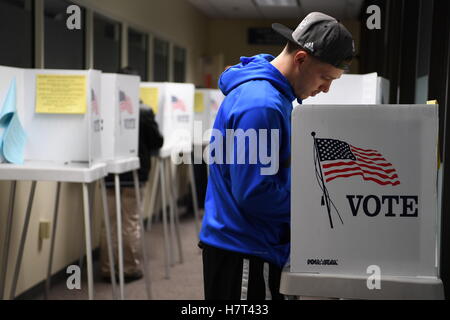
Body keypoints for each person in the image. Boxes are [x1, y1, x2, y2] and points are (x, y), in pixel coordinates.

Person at [198, 12, 355, 300]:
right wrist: (318, 209)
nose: (326, 88)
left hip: (247, 243)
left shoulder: (270, 95)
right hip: (245, 248)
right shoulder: (262, 104)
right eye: (324, 77)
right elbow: (255, 193)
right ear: (301, 59)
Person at [100, 66, 163, 282]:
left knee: (109, 222)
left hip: (108, 173)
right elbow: (157, 141)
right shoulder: (143, 110)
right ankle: (129, 268)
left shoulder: (105, 109)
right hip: (135, 174)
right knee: (131, 221)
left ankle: (107, 268)